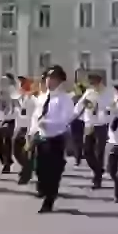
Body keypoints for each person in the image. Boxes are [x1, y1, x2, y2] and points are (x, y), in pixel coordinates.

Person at [34, 65, 74, 213]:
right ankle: (45, 188)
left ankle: (49, 200)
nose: (49, 81)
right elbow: (35, 117)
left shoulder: (64, 99)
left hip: (56, 138)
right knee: (39, 168)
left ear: (59, 81)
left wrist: (47, 123)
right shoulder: (42, 97)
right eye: (48, 78)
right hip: (41, 137)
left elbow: (65, 120)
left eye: (53, 78)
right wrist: (32, 132)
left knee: (53, 171)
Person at [74, 72, 115, 189]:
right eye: (91, 84)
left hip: (101, 125)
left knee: (99, 152)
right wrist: (71, 117)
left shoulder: (109, 93)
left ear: (100, 82)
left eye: (94, 83)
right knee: (87, 151)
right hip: (89, 125)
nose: (93, 86)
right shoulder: (89, 93)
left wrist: (107, 113)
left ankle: (97, 179)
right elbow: (79, 107)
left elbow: (113, 108)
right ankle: (98, 170)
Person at [13, 76, 36, 184]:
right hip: (19, 127)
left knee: (27, 152)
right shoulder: (17, 98)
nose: (21, 85)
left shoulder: (33, 99)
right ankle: (27, 168)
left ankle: (26, 174)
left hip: (29, 128)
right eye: (20, 83)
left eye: (23, 83)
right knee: (16, 151)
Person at [0, 73, 17, 174]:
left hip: (10, 120)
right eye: (2, 81)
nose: (3, 83)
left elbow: (15, 106)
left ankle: (7, 164)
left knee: (7, 140)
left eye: (5, 81)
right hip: (0, 120)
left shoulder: (14, 92)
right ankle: (6, 160)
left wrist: (9, 101)